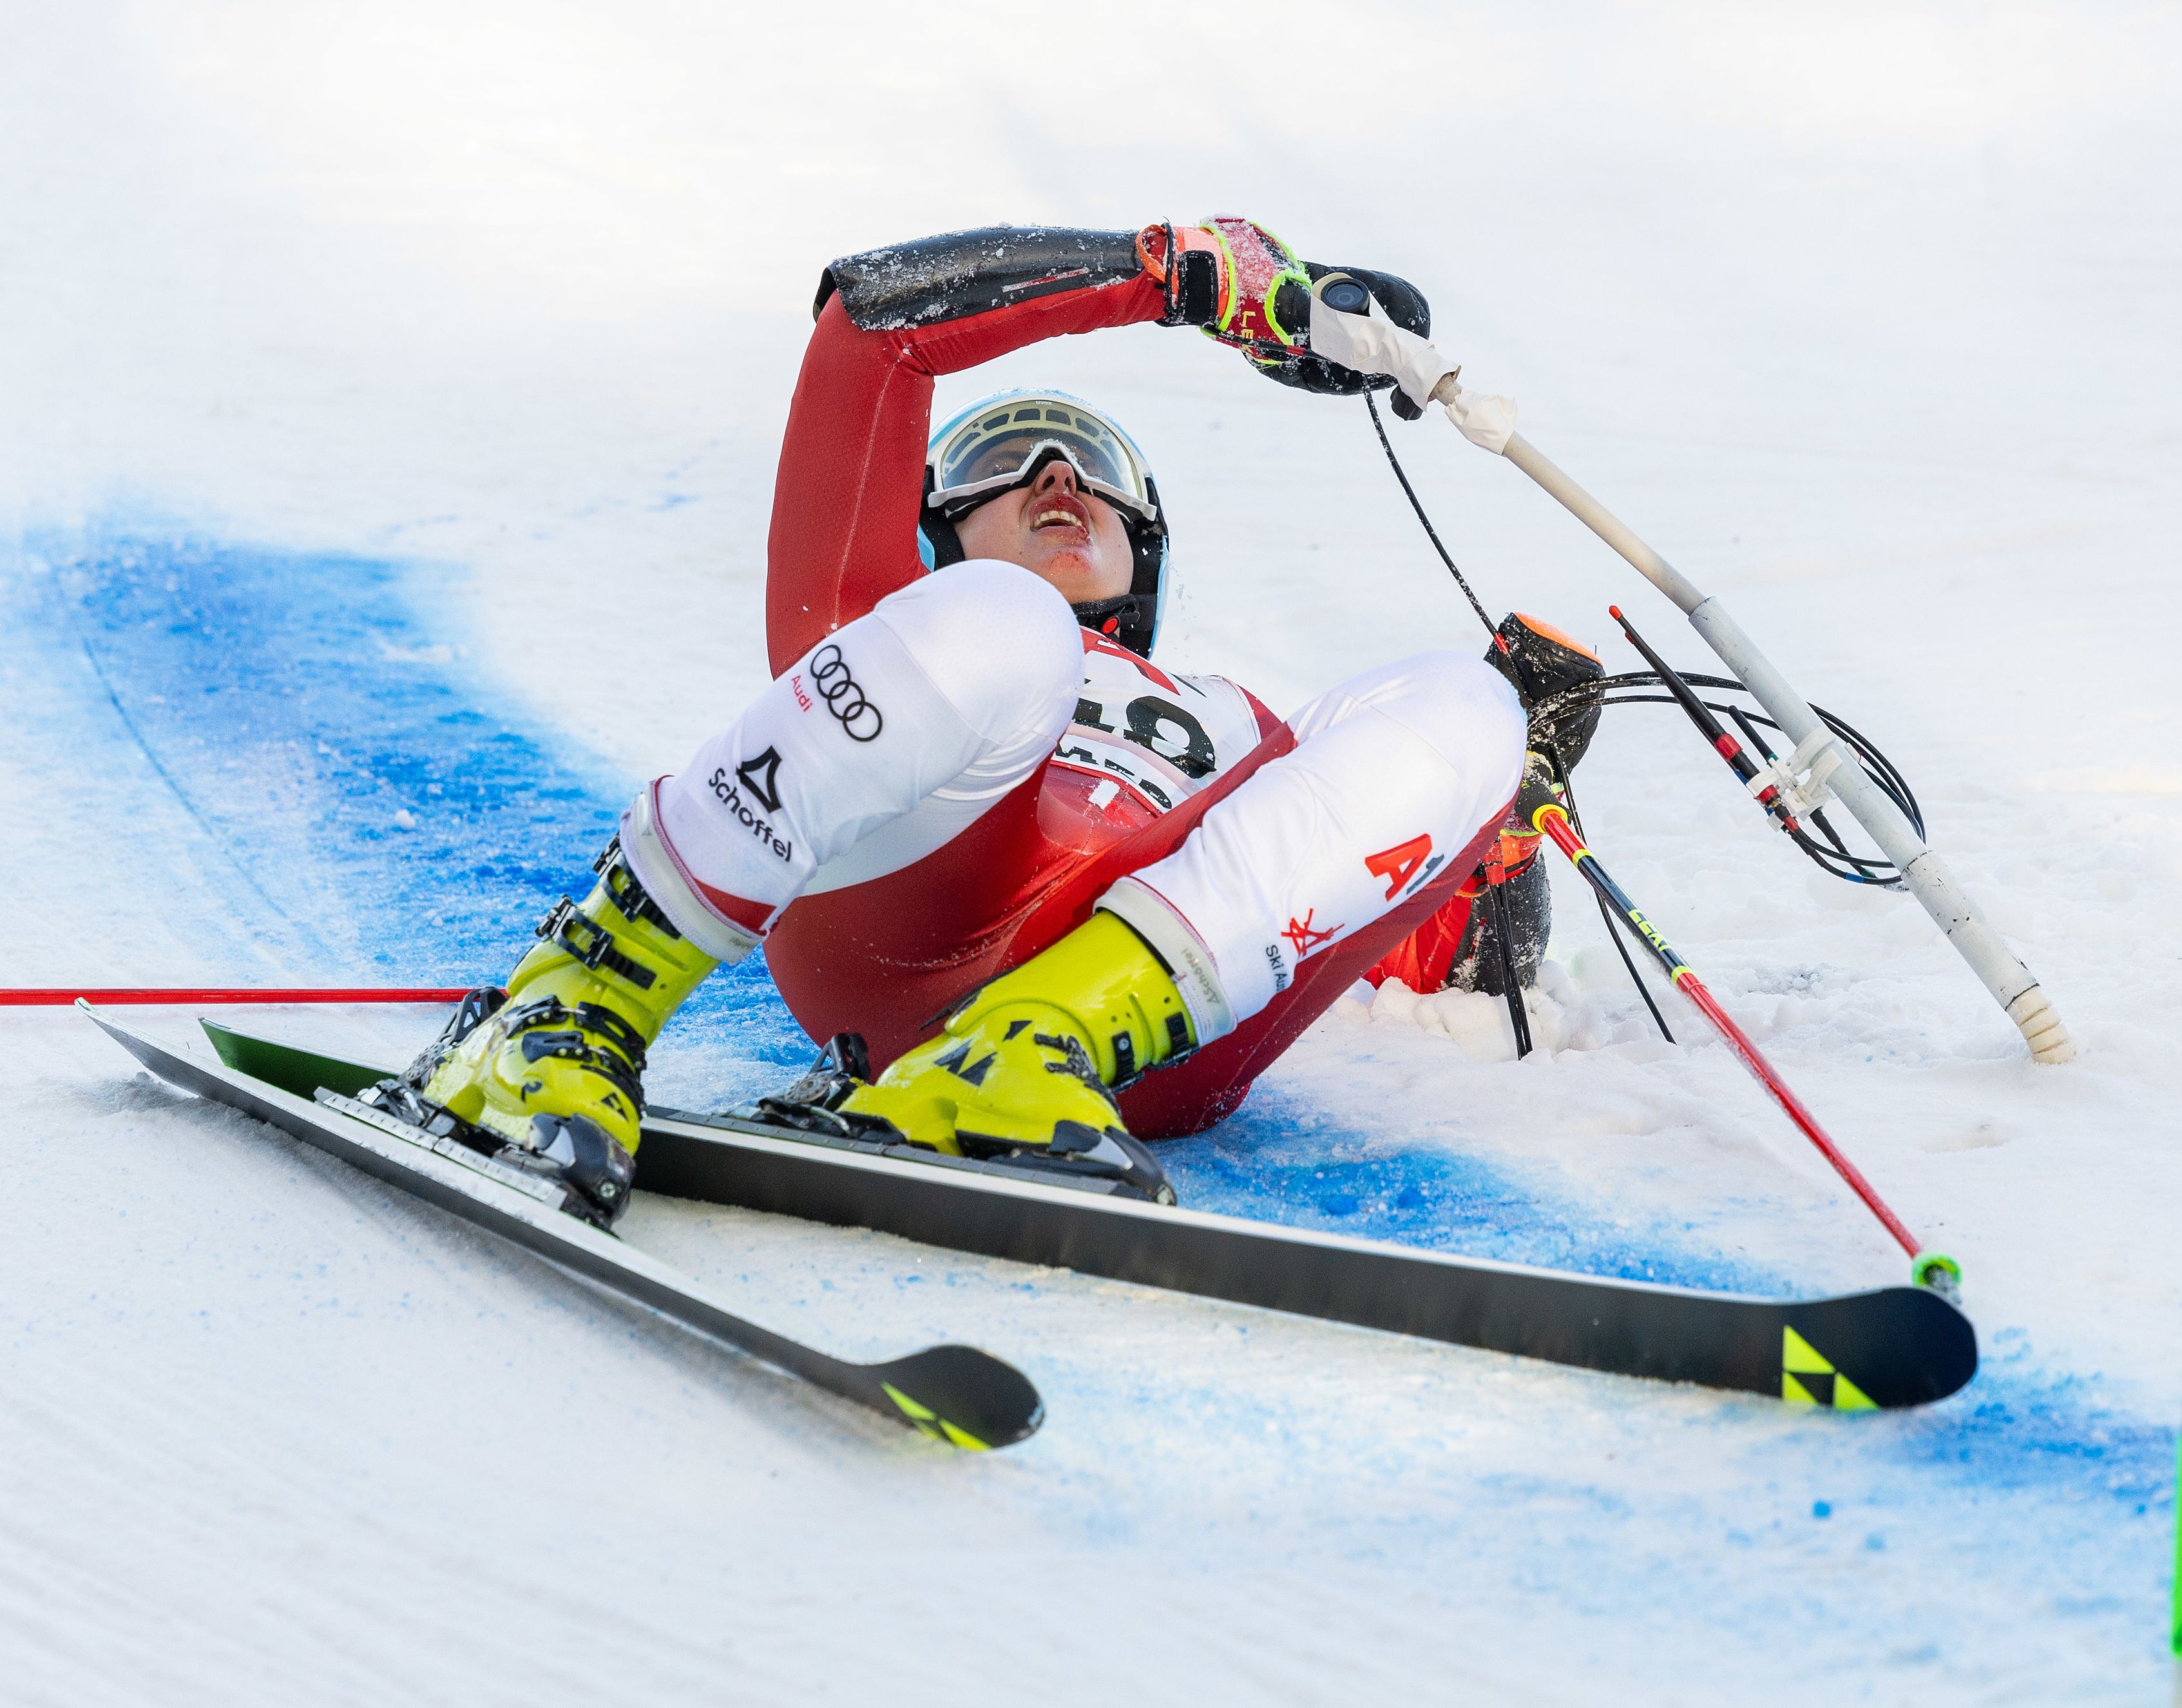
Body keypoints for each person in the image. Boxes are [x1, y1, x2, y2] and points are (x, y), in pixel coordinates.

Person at [377, 218, 1601, 1226]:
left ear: (1148, 547)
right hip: (901, 914)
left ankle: (1018, 1054)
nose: (1057, 478)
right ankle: (574, 999)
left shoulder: (1243, 725)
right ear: (931, 532)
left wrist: (1510, 799)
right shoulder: (927, 616)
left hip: (1150, 1043)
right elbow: (870, 327)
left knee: (1463, 698)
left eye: (1091, 471)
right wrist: (1179, 279)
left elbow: (1457, 974)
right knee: (1012, 626)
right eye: (1007, 461)